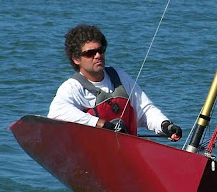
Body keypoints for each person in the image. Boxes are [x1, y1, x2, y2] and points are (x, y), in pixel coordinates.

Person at [47, 24, 182, 141]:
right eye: (90, 53)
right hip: (93, 152)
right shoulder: (72, 87)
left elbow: (145, 110)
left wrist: (165, 125)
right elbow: (56, 114)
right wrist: (100, 124)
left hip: (127, 152)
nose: (98, 56)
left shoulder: (119, 77)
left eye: (101, 50)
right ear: (76, 59)